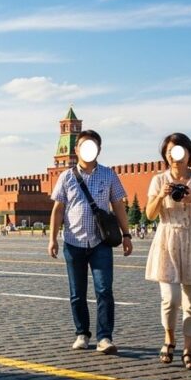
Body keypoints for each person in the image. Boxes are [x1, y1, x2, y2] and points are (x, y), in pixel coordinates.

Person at [47, 129, 132, 355]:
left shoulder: (109, 175)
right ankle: (82, 333)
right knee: (77, 293)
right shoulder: (66, 177)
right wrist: (52, 238)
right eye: (83, 146)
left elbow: (118, 205)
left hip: (100, 242)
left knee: (104, 290)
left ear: (99, 150)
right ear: (76, 150)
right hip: (73, 242)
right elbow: (58, 209)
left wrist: (127, 235)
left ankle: (104, 337)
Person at [145, 133, 191, 370]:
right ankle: (169, 338)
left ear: (189, 153)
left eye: (179, 151)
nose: (175, 157)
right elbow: (150, 214)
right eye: (170, 152)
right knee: (170, 299)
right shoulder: (158, 180)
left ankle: (188, 350)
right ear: (166, 156)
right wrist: (161, 195)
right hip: (167, 242)